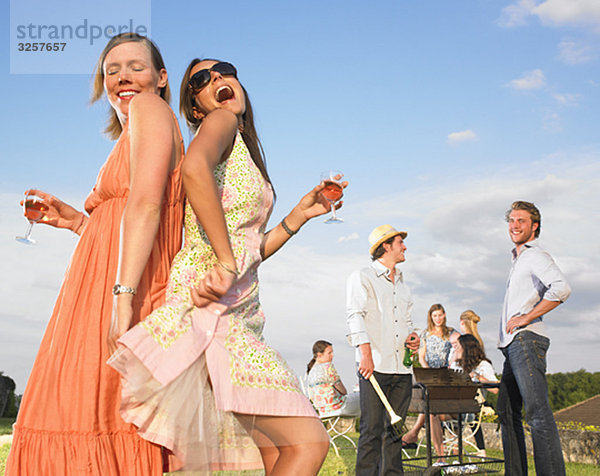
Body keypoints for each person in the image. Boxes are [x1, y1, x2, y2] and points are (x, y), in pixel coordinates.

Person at [108, 58, 338, 475]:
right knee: (309, 444)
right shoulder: (220, 123)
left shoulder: (242, 152)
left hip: (241, 312)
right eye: (202, 80)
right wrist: (227, 262)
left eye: (225, 71)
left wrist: (297, 218)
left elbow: (249, 248)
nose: (217, 79)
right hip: (213, 313)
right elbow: (194, 170)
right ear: (196, 107)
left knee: (277, 454)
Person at [7, 33, 184, 476]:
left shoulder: (149, 108)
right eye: (111, 70)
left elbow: (147, 206)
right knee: (88, 409)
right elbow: (128, 218)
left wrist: (122, 297)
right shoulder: (136, 132)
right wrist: (76, 221)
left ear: (161, 78)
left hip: (120, 290)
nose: (122, 77)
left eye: (136, 67)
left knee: (87, 409)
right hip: (103, 284)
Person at [497, 201, 571, 476]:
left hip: (527, 341)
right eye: (511, 221)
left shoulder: (535, 255)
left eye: (521, 221)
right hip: (511, 345)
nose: (515, 226)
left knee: (538, 415)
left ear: (534, 226)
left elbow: (562, 288)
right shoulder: (517, 260)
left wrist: (527, 316)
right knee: (505, 411)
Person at [346, 224, 420, 476]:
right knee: (371, 431)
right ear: (386, 246)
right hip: (374, 366)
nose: (405, 246)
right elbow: (355, 315)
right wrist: (364, 353)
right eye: (400, 242)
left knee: (395, 434)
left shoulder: (404, 284)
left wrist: (413, 338)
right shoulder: (362, 277)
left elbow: (407, 322)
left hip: (402, 369)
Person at [402, 304, 459, 458]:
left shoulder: (451, 333)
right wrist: (428, 371)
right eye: (435, 316)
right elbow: (421, 357)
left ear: (444, 315)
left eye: (440, 315)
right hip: (429, 374)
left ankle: (413, 433)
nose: (438, 318)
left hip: (446, 375)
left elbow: (460, 346)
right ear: (431, 317)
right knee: (428, 398)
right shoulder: (426, 334)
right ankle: (415, 434)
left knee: (430, 402)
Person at [448, 334, 498, 456]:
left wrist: (476, 376)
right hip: (454, 404)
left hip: (471, 408)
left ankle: (414, 436)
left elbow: (496, 389)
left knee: (430, 411)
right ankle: (441, 457)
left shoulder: (482, 365)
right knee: (429, 407)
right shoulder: (457, 365)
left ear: (466, 349)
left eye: (458, 347)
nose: (455, 349)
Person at [306, 340, 360, 418]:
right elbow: (344, 391)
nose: (332, 355)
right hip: (338, 407)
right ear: (319, 355)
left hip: (323, 411)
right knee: (364, 398)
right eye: (329, 353)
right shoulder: (328, 367)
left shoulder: (311, 372)